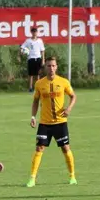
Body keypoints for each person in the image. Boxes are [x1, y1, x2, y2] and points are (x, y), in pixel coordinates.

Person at [27, 57, 77, 187]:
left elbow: (73, 96)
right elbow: (35, 101)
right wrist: (33, 117)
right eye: (49, 66)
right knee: (39, 148)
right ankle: (32, 178)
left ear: (56, 67)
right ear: (45, 68)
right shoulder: (39, 83)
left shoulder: (63, 82)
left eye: (53, 66)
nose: (51, 68)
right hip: (45, 123)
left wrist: (69, 109)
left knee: (65, 148)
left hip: (60, 122)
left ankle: (72, 176)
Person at [19, 29, 45, 93]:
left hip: (38, 58)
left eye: (35, 32)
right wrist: (21, 53)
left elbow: (42, 50)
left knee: (38, 74)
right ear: (31, 32)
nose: (34, 33)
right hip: (31, 58)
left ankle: (38, 88)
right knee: (31, 74)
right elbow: (22, 47)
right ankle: (30, 88)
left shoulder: (40, 41)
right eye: (33, 32)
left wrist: (43, 60)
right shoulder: (28, 41)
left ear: (37, 32)